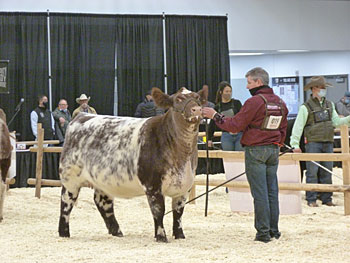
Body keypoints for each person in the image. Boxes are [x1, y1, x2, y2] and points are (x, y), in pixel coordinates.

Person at [203, 67, 288, 243]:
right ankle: (274, 230)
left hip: (256, 150)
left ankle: (263, 233)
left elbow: (235, 125)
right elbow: (283, 128)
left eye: (249, 82)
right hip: (273, 150)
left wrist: (215, 116)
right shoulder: (279, 102)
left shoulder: (255, 102)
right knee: (272, 191)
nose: (248, 87)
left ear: (259, 82)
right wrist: (278, 144)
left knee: (260, 193)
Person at [290, 76, 350, 207]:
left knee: (327, 171)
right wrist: (294, 144)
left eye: (324, 88)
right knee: (312, 171)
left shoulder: (330, 105)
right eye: (321, 87)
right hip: (313, 143)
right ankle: (311, 199)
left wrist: (347, 119)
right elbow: (298, 127)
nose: (323, 90)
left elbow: (336, 122)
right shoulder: (305, 107)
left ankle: (327, 198)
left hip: (328, 141)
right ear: (313, 89)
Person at [207, 81, 243, 151]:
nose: (229, 93)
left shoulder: (237, 103)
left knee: (240, 157)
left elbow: (242, 118)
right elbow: (212, 124)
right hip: (226, 135)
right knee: (228, 158)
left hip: (239, 134)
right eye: (226, 91)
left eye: (230, 91)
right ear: (221, 92)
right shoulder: (217, 107)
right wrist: (209, 139)